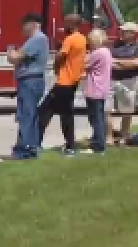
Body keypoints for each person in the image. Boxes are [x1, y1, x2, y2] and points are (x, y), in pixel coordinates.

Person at [39, 14, 86, 156]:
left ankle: (69, 146)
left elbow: (61, 55)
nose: (64, 26)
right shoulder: (82, 39)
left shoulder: (70, 39)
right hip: (73, 81)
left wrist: (55, 67)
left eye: (66, 23)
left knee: (48, 112)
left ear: (72, 24)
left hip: (64, 82)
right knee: (54, 111)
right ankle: (68, 144)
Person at [6, 13, 49, 159]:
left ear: (32, 24)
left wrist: (10, 50)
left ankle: (25, 149)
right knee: (30, 115)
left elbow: (15, 58)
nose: (22, 28)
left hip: (30, 81)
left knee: (26, 115)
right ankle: (32, 146)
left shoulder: (36, 39)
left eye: (24, 24)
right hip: (33, 81)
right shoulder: (39, 39)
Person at [107, 22, 138, 145]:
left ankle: (124, 135)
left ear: (132, 33)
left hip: (129, 81)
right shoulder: (115, 45)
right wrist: (125, 63)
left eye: (124, 31)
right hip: (112, 80)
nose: (121, 33)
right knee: (108, 110)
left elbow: (137, 63)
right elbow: (107, 61)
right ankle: (109, 137)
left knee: (127, 111)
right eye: (121, 30)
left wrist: (116, 62)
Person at [84, 29, 113, 154]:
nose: (89, 43)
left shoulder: (97, 53)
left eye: (90, 41)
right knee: (98, 118)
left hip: (94, 89)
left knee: (96, 119)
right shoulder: (106, 51)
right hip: (102, 89)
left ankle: (98, 145)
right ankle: (98, 141)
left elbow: (84, 64)